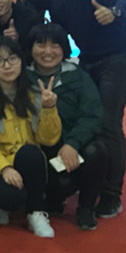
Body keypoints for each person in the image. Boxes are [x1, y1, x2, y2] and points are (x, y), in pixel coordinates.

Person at [24, 0, 126, 218]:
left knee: (108, 123)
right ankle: (87, 181)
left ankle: (111, 196)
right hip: (88, 59)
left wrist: (114, 12)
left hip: (116, 57)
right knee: (85, 118)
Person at [0, 36, 61, 238]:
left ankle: (35, 213)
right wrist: (5, 168)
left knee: (31, 153)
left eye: (12, 59)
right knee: (12, 198)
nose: (7, 66)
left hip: (27, 160)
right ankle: (2, 203)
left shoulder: (34, 93)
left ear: (21, 61)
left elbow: (48, 139)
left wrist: (49, 108)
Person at [26, 22, 108, 231]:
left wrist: (72, 143)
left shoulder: (78, 76)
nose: (47, 52)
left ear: (64, 48)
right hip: (41, 148)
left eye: (55, 45)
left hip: (74, 146)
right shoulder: (21, 77)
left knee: (97, 150)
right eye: (41, 45)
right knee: (61, 184)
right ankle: (52, 200)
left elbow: (92, 115)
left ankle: (86, 208)